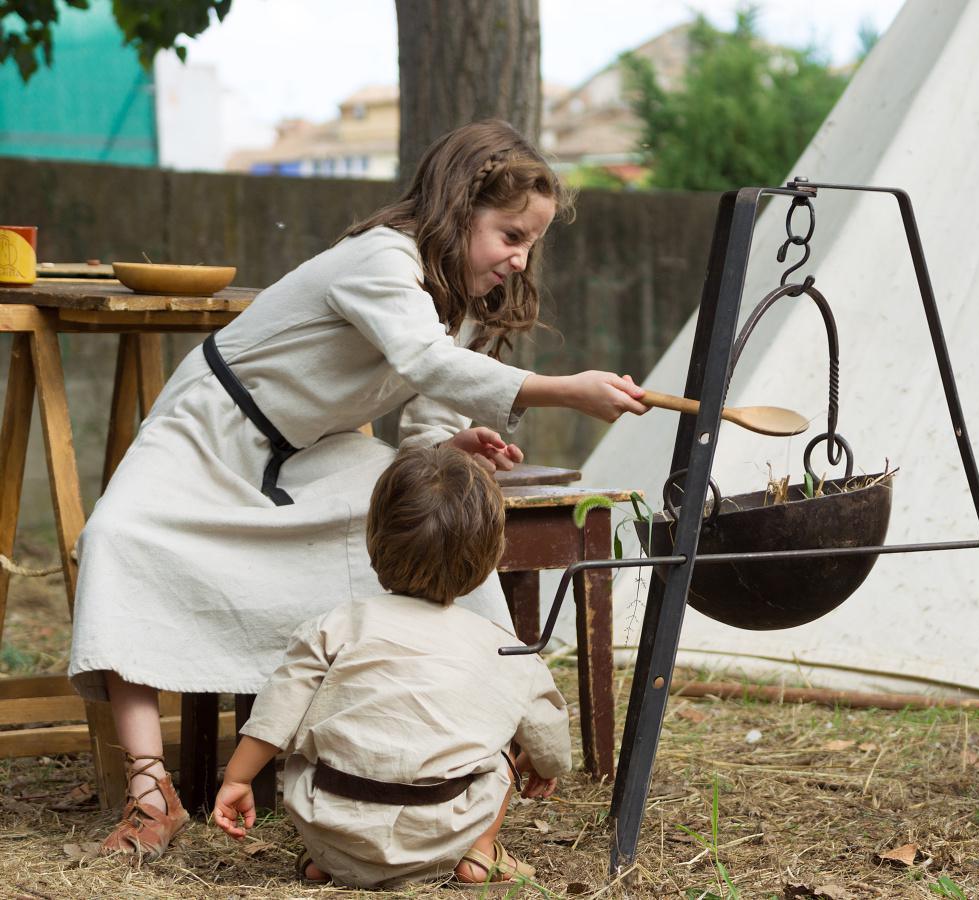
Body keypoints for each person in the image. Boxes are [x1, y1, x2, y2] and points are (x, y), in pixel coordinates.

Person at [67, 118, 646, 858]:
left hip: (315, 452)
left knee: (432, 531)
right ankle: (152, 794)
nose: (519, 258)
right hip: (213, 427)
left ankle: (486, 746)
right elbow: (428, 362)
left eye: (529, 243)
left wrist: (449, 448)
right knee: (116, 540)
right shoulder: (380, 258)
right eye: (509, 235)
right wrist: (566, 390)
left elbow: (431, 410)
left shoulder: (460, 300)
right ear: (458, 209)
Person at [212, 445, 570, 887]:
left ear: (375, 538)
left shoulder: (335, 626)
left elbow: (276, 712)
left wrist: (238, 779)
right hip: (445, 828)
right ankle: (479, 853)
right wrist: (545, 765)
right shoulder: (504, 648)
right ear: (489, 554)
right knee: (500, 750)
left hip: (332, 821)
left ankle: (334, 859)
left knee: (315, 741)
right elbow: (547, 726)